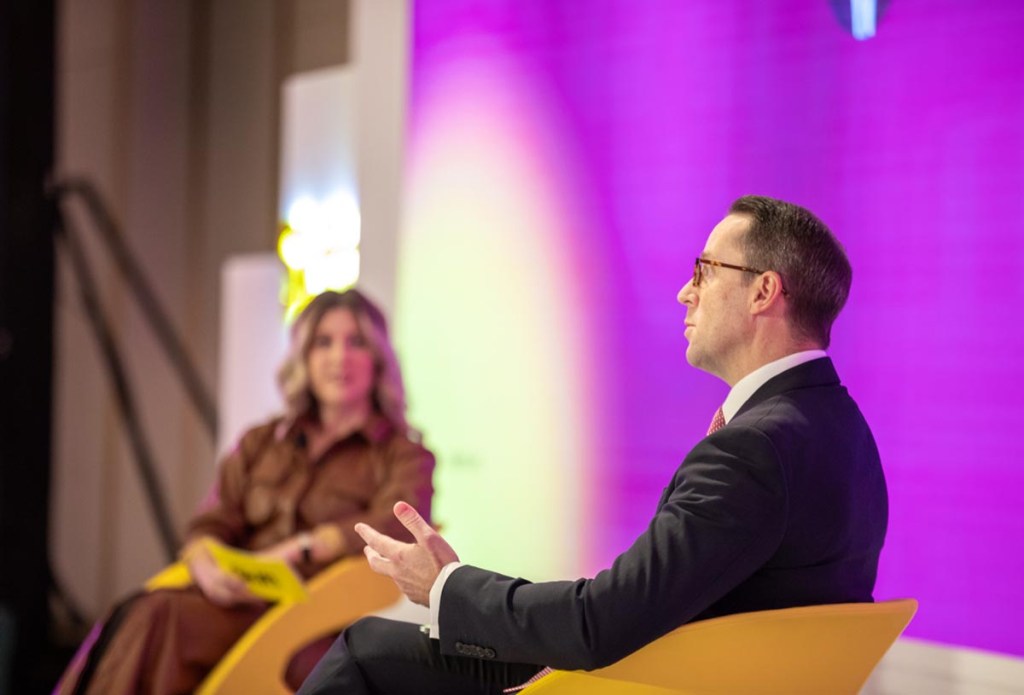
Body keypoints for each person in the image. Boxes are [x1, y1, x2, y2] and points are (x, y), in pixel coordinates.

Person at [297, 195, 888, 695]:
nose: (686, 292)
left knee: (363, 651)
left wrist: (447, 586)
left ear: (764, 293)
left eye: (705, 270)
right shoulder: (843, 431)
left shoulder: (752, 450)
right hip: (676, 667)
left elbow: (598, 624)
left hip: (640, 679)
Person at [56, 289, 435, 694]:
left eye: (355, 341)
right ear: (304, 355)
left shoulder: (403, 454)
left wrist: (303, 547)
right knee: (140, 611)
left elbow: (397, 526)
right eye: (324, 342)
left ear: (378, 358)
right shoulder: (261, 442)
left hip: (311, 612)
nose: (339, 357)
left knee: (161, 619)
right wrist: (203, 563)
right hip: (237, 598)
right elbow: (212, 521)